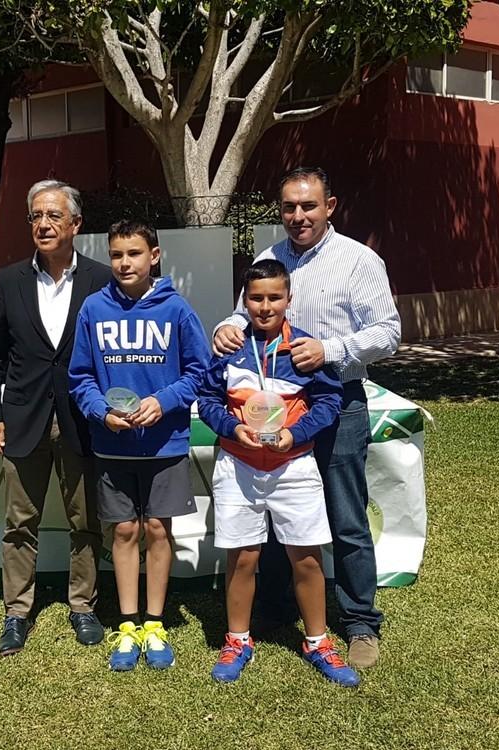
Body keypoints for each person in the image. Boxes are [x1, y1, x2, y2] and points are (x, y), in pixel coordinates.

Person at [213, 167, 401, 668]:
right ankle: (276, 609)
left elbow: (389, 332)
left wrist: (332, 348)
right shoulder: (268, 258)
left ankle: (360, 622)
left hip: (334, 400)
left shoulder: (359, 260)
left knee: (345, 518)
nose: (298, 216)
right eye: (290, 208)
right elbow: (244, 311)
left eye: (309, 206)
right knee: (277, 514)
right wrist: (227, 329)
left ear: (330, 206)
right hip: (271, 405)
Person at [198, 259, 357, 686]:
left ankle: (318, 641)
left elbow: (327, 402)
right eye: (256, 297)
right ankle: (237, 640)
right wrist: (232, 428)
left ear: (289, 298)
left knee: (305, 556)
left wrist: (295, 434)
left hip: (293, 464)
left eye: (274, 297)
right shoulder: (228, 348)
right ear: (244, 300)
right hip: (239, 463)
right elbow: (208, 398)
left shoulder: (305, 349)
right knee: (243, 556)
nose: (265, 306)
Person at [68, 219, 210, 672]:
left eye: (133, 253)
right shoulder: (93, 308)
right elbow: (81, 376)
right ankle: (127, 625)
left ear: (155, 256)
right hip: (112, 446)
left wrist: (163, 401)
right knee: (125, 531)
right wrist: (98, 411)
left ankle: (155, 622)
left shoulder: (177, 310)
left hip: (164, 444)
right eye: (116, 254)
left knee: (157, 530)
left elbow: (199, 372)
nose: (124, 263)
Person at [0, 179, 113, 656]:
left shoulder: (101, 279)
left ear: (76, 224)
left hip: (82, 419)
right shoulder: (10, 278)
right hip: (22, 418)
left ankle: (84, 606)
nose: (43, 224)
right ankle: (17, 613)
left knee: (86, 520)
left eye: (54, 215)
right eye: (36, 216)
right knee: (20, 521)